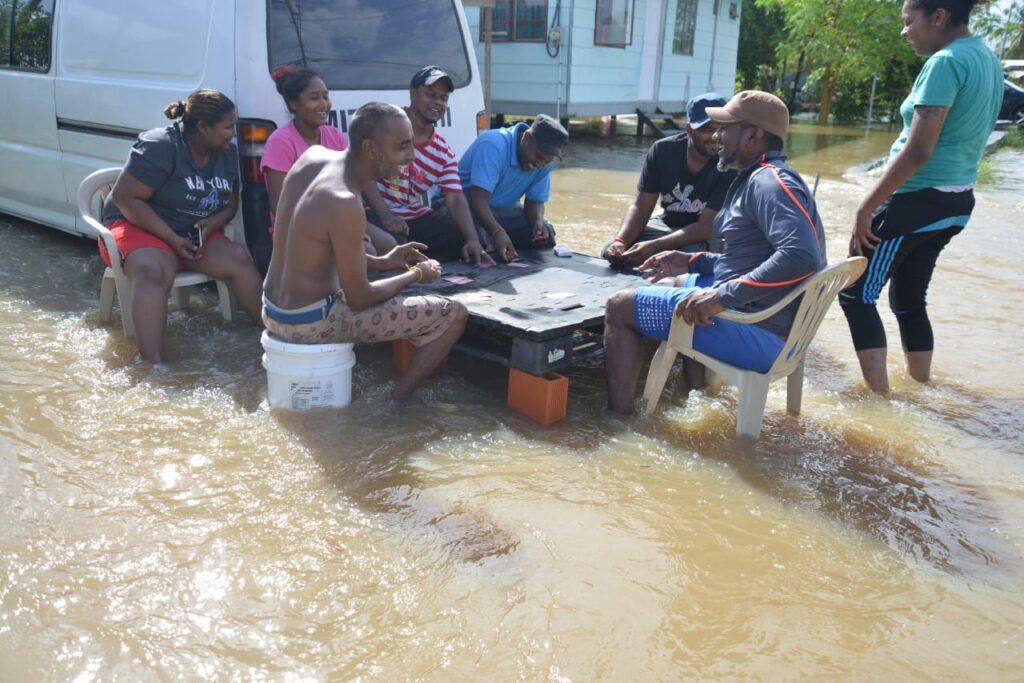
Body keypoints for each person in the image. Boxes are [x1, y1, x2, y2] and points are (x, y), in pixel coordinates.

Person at [603, 91, 826, 414]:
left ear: (753, 135)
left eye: (725, 127)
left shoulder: (768, 183)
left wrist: (721, 298)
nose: (717, 136)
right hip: (770, 323)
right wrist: (690, 259)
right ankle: (695, 393)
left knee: (620, 307)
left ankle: (618, 421)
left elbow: (801, 256)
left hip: (760, 335)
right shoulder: (761, 176)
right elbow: (752, 259)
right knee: (677, 283)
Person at [840, 0, 1003, 394]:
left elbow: (918, 151)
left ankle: (879, 403)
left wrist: (866, 207)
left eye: (908, 21)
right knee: (908, 299)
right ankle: (922, 390)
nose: (904, 31)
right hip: (956, 202)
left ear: (940, 17)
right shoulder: (986, 57)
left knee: (855, 294)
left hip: (916, 201)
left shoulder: (945, 62)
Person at [262, 102, 468, 400]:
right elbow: (359, 299)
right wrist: (415, 275)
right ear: (371, 149)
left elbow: (311, 247)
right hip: (307, 322)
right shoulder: (345, 201)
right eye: (402, 147)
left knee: (378, 261)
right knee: (453, 314)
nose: (411, 156)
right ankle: (396, 403)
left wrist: (382, 263)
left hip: (271, 308)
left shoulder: (313, 157)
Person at [101, 89, 263, 364]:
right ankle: (152, 367)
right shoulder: (161, 145)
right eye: (227, 127)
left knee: (237, 258)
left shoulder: (227, 153)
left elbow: (230, 204)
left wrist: (213, 223)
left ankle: (275, 337)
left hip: (191, 231)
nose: (233, 134)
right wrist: (172, 238)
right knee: (154, 271)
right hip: (138, 224)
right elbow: (124, 197)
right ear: (202, 127)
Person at [362, 66, 493, 266]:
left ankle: (425, 265)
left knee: (469, 237)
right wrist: (386, 215)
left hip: (413, 216)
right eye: (430, 95)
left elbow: (455, 198)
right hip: (374, 212)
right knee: (394, 246)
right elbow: (363, 173)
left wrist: (472, 240)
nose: (437, 103)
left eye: (443, 98)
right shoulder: (385, 125)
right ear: (413, 94)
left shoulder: (443, 151)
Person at [261, 66, 395, 256]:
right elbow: (280, 206)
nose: (324, 104)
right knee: (366, 253)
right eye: (314, 98)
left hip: (338, 219)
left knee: (389, 245)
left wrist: (385, 215)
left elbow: (360, 177)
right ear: (293, 104)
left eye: (325, 96)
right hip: (297, 227)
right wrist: (337, 233)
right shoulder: (280, 142)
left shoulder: (334, 136)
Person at [603, 93, 738, 267]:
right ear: (689, 129)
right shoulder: (662, 151)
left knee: (685, 261)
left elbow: (706, 226)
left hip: (706, 234)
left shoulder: (730, 162)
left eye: (722, 129)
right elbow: (641, 208)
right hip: (666, 225)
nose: (716, 136)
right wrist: (620, 241)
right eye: (707, 129)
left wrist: (653, 247)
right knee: (612, 252)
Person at [458, 115, 569, 262]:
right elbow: (478, 200)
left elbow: (535, 202)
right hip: (466, 208)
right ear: (527, 138)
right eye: (539, 157)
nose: (541, 164)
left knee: (547, 232)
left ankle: (498, 243)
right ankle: (492, 242)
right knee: (479, 241)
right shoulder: (493, 145)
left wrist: (537, 221)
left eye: (547, 161)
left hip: (502, 211)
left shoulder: (544, 163)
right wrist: (497, 232)